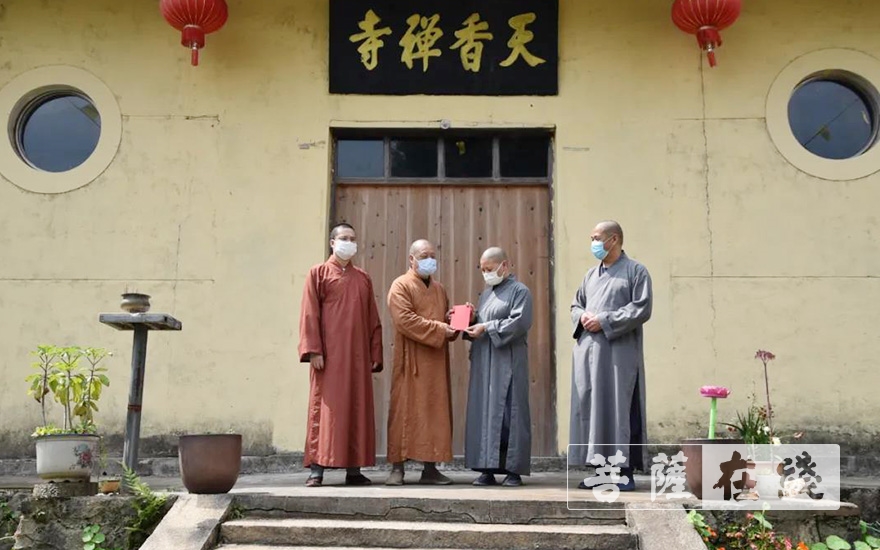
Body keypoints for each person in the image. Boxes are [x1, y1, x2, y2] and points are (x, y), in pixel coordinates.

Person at [298, 223, 383, 488]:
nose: (349, 242)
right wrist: (314, 350)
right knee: (326, 411)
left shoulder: (363, 278)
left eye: (353, 239)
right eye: (344, 238)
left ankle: (354, 471)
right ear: (332, 242)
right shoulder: (318, 273)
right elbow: (309, 313)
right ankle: (317, 470)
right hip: (329, 357)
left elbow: (373, 318)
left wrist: (374, 351)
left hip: (357, 357)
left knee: (356, 408)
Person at [569, 220, 652, 491]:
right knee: (593, 410)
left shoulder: (636, 271)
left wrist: (604, 320)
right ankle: (600, 472)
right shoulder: (590, 275)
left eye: (596, 238)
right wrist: (582, 316)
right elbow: (576, 304)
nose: (593, 243)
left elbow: (641, 308)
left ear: (613, 239)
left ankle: (624, 473)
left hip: (619, 356)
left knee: (620, 409)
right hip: (590, 355)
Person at [385, 239, 458, 486]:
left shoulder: (439, 289)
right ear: (411, 259)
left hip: (435, 361)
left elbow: (444, 320)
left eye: (433, 256)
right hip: (411, 360)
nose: (430, 260)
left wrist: (456, 320)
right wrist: (440, 328)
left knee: (435, 411)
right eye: (424, 256)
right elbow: (404, 320)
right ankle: (397, 468)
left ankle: (431, 468)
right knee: (403, 411)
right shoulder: (400, 285)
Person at [463, 247, 533, 487]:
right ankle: (487, 469)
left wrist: (487, 327)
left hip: (508, 361)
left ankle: (513, 471)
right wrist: (472, 319)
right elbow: (483, 321)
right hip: (485, 362)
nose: (486, 274)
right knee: (485, 415)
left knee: (510, 415)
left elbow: (519, 322)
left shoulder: (520, 291)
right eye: (483, 270)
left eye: (490, 269)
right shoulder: (487, 293)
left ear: (505, 265)